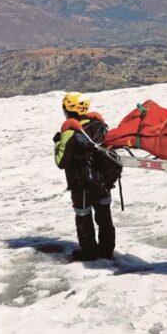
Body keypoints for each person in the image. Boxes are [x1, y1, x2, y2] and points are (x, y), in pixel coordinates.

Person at [53, 92, 118, 261]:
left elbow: (61, 161)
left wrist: (58, 143)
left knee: (84, 217)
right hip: (103, 182)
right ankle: (107, 252)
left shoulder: (70, 131)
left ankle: (89, 253)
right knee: (105, 217)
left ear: (68, 109)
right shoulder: (98, 124)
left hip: (82, 184)